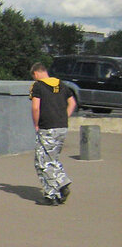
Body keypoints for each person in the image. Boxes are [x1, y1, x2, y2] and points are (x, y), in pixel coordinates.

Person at [29, 61, 77, 205]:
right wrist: (64, 117)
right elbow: (73, 103)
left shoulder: (38, 86)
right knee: (53, 158)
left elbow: (36, 107)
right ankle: (62, 182)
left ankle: (52, 195)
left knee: (42, 161)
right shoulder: (62, 84)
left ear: (36, 73)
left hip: (47, 127)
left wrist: (36, 124)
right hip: (61, 127)